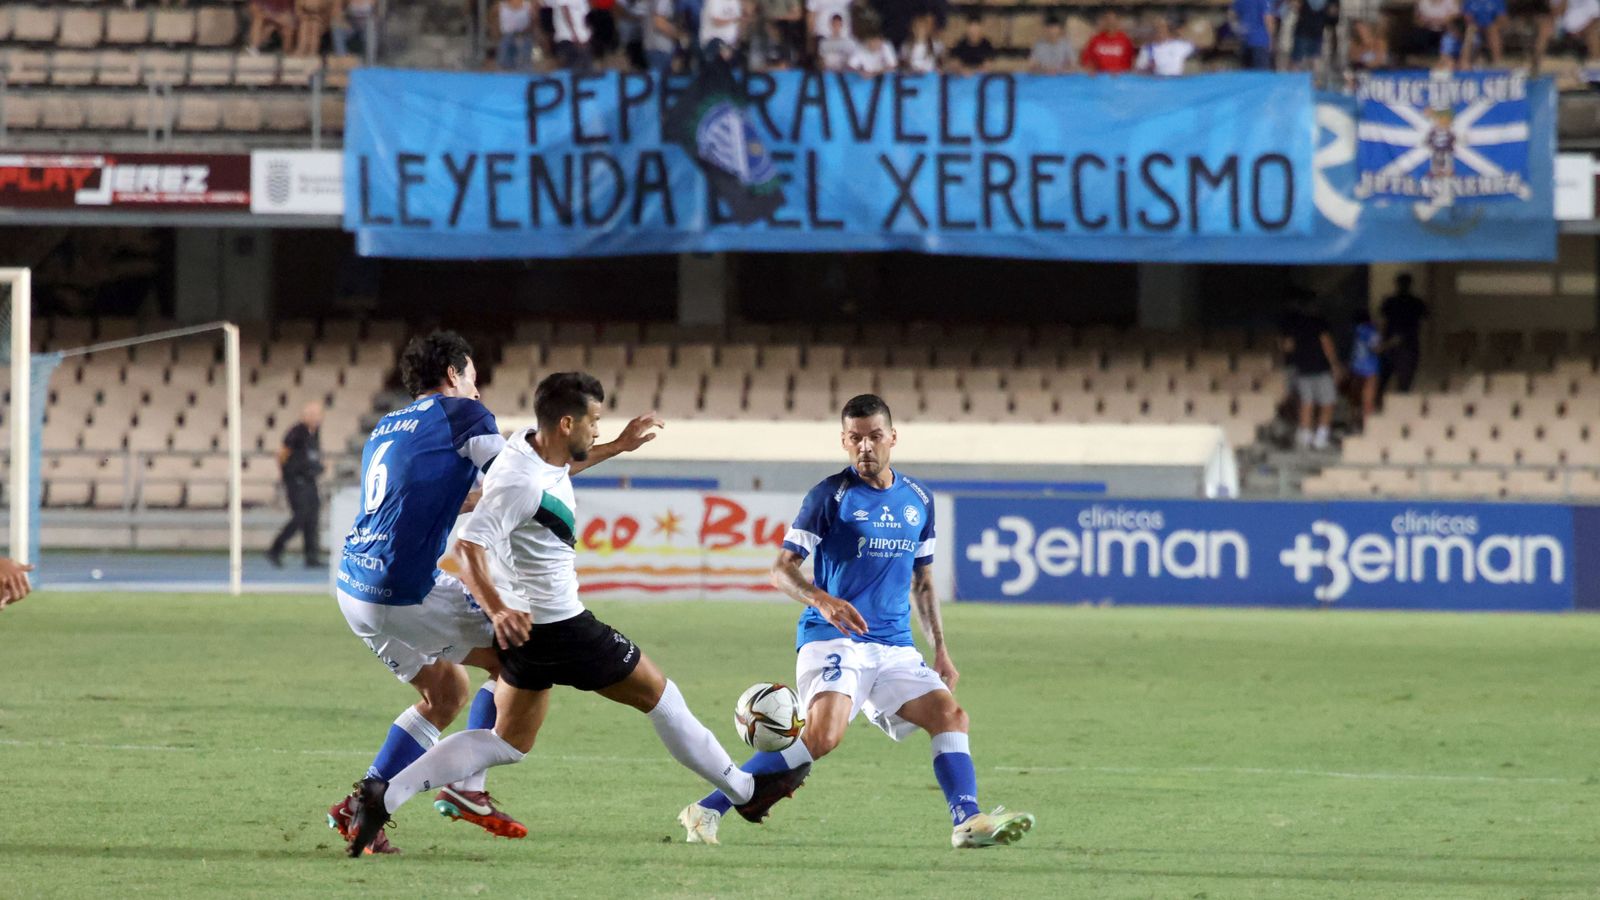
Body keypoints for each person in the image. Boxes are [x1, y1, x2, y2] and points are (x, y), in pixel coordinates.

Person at [343, 373, 807, 857]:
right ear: (567, 423)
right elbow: (469, 545)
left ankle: (385, 794)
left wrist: (620, 446)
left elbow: (560, 469)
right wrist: (498, 609)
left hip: (531, 634)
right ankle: (744, 792)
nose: (596, 431)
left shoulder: (528, 450)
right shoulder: (520, 480)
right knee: (661, 696)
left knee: (508, 742)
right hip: (561, 627)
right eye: (594, 423)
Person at [328, 332, 662, 853]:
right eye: (475, 377)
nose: (479, 391)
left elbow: (447, 497)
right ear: (456, 373)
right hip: (400, 588)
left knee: (446, 694)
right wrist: (617, 445)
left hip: (353, 585)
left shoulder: (387, 426)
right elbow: (534, 468)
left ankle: (358, 807)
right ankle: (468, 787)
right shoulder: (462, 416)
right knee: (521, 655)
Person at [677, 394, 1036, 849]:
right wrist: (821, 599)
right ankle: (708, 806)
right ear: (844, 442)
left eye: (874, 436)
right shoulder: (829, 495)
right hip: (832, 637)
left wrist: (940, 648)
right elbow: (781, 569)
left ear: (892, 438)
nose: (865, 446)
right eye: (855, 438)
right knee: (824, 736)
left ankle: (967, 821)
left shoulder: (919, 500)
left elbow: (923, 582)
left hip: (894, 645)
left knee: (951, 715)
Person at [267, 401, 325, 568]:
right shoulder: (296, 431)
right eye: (312, 415)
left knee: (313, 516)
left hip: (310, 480)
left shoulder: (315, 433)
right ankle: (276, 548)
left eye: (318, 415)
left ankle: (311, 556)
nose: (316, 418)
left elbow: (311, 456)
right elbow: (282, 453)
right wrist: (288, 474)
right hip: (297, 481)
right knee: (301, 515)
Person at [1280, 297, 1343, 450]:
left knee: (1306, 403)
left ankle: (1305, 436)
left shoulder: (1294, 324)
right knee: (1327, 403)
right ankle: (1320, 438)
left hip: (1302, 369)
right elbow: (1326, 343)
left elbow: (1287, 347)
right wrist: (1335, 364)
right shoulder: (1320, 322)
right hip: (1320, 368)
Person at [1379, 274, 1429, 395]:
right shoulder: (1416, 302)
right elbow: (1426, 318)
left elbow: (1382, 321)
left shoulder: (1390, 302)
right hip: (1407, 344)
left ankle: (1379, 405)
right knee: (1403, 383)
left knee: (1383, 380)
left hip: (1393, 344)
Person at [1349, 310, 1382, 430]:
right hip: (1370, 369)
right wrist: (1391, 343)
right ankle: (1367, 427)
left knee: (1355, 400)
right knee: (1368, 400)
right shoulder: (1371, 330)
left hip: (1355, 367)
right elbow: (1376, 348)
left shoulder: (1355, 330)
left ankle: (1354, 425)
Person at [544, 0, 595, 69]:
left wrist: (588, 34)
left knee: (586, 68)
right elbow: (565, 11)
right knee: (571, 68)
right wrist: (574, 34)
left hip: (583, 39)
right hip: (568, 38)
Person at [1232, 0, 1277, 68]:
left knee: (1247, 72)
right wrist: (1271, 40)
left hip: (1245, 40)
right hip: (1261, 41)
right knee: (1261, 74)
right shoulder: (1265, 1)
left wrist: (1238, 30)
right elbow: (1267, 19)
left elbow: (1232, 15)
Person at [1461, 0, 1507, 66]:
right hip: (1475, 28)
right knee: (1470, 30)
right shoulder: (1469, 1)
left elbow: (1502, 18)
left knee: (1493, 31)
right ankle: (1465, 62)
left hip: (1491, 28)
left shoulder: (1497, 1)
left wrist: (1493, 26)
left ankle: (1497, 61)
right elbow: (1467, 18)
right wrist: (1477, 26)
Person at [496, 0, 537, 68]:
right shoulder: (500, 6)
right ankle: (505, 66)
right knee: (507, 40)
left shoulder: (528, 6)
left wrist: (523, 31)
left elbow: (534, 23)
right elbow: (494, 24)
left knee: (525, 42)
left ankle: (524, 66)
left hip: (524, 35)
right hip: (507, 36)